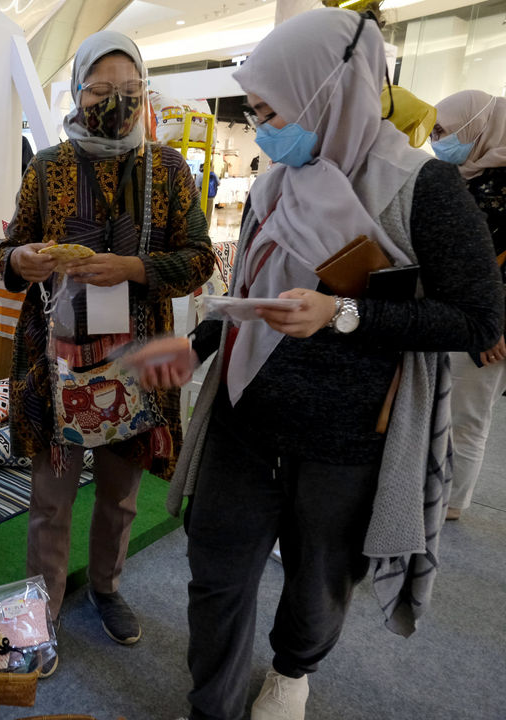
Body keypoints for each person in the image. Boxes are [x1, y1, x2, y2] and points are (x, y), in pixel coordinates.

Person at [130, 10, 502, 720]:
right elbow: (249, 295)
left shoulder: (422, 190)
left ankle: (292, 672)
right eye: (258, 113)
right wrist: (199, 344)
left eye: (274, 111)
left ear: (326, 92)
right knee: (216, 570)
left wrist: (344, 314)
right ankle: (211, 706)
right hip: (247, 422)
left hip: (348, 441)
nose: (266, 129)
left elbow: (478, 320)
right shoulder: (279, 180)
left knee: (319, 582)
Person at [0, 30, 213, 673]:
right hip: (57, 357)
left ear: (144, 93)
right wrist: (23, 258)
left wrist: (134, 267)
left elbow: (199, 258)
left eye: (129, 92)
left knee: (120, 495)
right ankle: (43, 606)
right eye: (100, 90)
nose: (115, 104)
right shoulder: (47, 167)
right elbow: (9, 251)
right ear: (77, 90)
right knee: (50, 499)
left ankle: (107, 587)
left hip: (136, 361)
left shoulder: (169, 171)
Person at [431, 89, 506, 521]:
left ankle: (452, 504)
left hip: (488, 324)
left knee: (468, 417)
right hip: (462, 315)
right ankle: (441, 495)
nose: (439, 140)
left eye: (444, 130)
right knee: (452, 411)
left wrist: (496, 328)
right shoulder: (473, 174)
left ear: (476, 124)